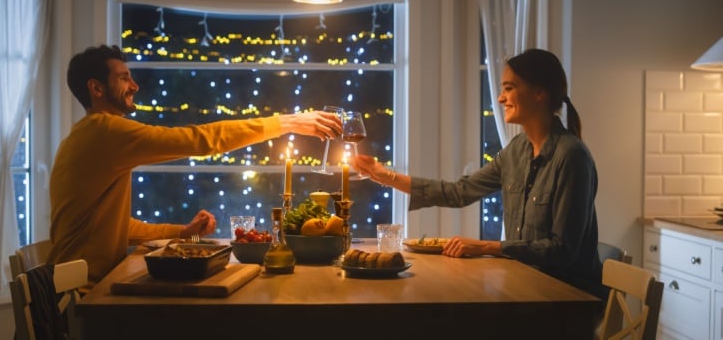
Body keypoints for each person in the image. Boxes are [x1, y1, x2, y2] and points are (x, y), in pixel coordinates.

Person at [47, 44, 342, 289]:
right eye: (124, 78)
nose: (134, 86)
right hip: (80, 296)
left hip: (81, 287)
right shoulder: (105, 131)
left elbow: (114, 228)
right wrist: (286, 123)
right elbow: (200, 140)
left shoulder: (87, 135)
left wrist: (184, 232)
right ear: (96, 88)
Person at [353, 48, 606, 300]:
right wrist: (384, 175)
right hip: (525, 289)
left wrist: (486, 247)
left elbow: (562, 251)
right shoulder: (517, 150)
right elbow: (459, 192)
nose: (501, 98)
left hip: (567, 301)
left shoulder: (571, 157)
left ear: (539, 92)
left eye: (509, 88)